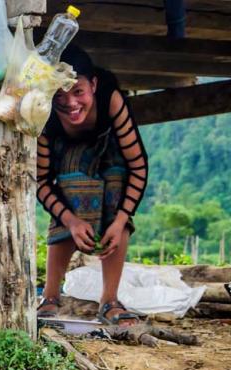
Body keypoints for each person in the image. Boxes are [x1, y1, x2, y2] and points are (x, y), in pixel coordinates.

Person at [35, 45, 148, 326]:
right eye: (59, 95)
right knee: (73, 183)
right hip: (66, 161)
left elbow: (138, 166)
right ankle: (50, 296)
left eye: (78, 92)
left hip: (109, 155)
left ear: (93, 85)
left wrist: (120, 221)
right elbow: (40, 180)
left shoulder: (111, 98)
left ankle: (109, 300)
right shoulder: (42, 111)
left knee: (115, 181)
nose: (70, 103)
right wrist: (72, 222)